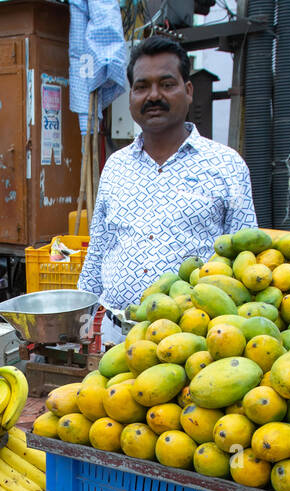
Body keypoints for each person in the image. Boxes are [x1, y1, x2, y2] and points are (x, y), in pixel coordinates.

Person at [78, 35, 257, 345]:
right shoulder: (115, 166)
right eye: (142, 86)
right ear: (131, 95)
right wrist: (78, 324)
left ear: (188, 91)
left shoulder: (226, 165)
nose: (153, 95)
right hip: (116, 337)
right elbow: (98, 251)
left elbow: (247, 260)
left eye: (166, 84)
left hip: (195, 341)